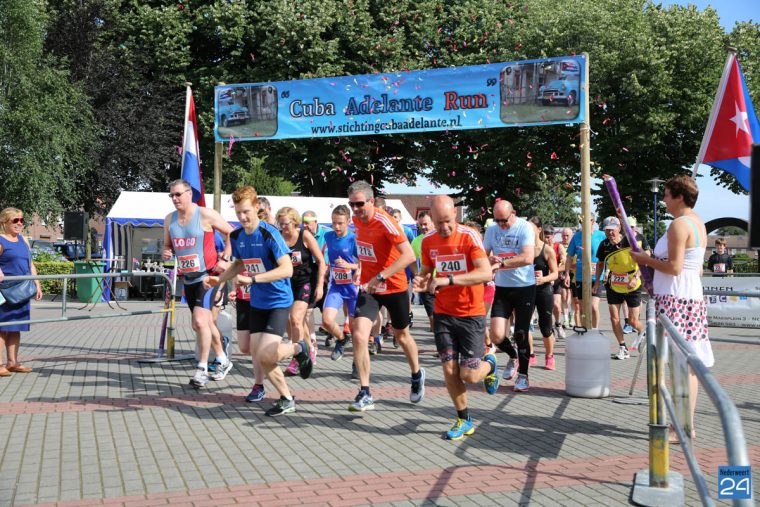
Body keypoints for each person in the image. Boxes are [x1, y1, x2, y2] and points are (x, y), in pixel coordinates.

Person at [208, 186, 313, 416]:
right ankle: (286, 398)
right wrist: (219, 280)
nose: (242, 217)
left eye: (246, 211)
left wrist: (253, 279)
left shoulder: (269, 234)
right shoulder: (237, 236)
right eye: (238, 213)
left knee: (266, 354)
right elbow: (239, 264)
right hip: (257, 303)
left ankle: (299, 347)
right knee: (257, 354)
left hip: (278, 301)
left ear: (257, 207)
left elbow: (287, 269)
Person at [631, 175, 712, 442]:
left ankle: (683, 427)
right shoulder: (697, 222)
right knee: (686, 364)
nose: (663, 200)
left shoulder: (680, 224)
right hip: (687, 295)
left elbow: (675, 267)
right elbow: (694, 268)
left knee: (681, 365)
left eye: (666, 195)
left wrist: (645, 260)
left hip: (677, 297)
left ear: (679, 197)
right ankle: (684, 425)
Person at [413, 196, 499, 440]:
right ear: (431, 218)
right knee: (449, 370)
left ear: (455, 215)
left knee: (469, 375)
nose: (444, 227)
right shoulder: (428, 240)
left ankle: (490, 364)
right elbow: (427, 270)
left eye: (448, 221)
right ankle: (464, 419)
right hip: (443, 313)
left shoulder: (469, 236)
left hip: (471, 313)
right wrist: (421, 279)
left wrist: (449, 280)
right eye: (439, 222)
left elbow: (485, 273)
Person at [346, 180, 423, 412]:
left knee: (402, 336)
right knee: (359, 335)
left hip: (394, 286)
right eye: (351, 204)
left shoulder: (385, 221)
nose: (355, 209)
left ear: (371, 201)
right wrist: (361, 271)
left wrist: (380, 276)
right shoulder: (356, 221)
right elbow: (367, 251)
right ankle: (365, 392)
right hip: (370, 288)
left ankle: (416, 374)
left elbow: (409, 256)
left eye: (360, 204)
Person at [162, 179, 233, 388]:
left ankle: (201, 369)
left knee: (201, 321)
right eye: (171, 195)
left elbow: (232, 233)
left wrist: (225, 258)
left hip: (208, 277)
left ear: (189, 193)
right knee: (201, 323)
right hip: (189, 279)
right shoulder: (169, 219)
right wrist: (166, 251)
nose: (174, 199)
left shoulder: (205, 214)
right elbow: (167, 245)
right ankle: (222, 358)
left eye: (178, 194)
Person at [484, 200, 535, 392]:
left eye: (504, 221)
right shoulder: (492, 230)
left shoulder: (524, 227)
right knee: (496, 336)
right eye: (497, 220)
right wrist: (488, 259)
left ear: (513, 213)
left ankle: (523, 374)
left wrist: (502, 263)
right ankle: (513, 357)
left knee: (521, 333)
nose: (501, 225)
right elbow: (482, 255)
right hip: (502, 287)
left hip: (524, 287)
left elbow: (528, 257)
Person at [276, 207, 325, 376]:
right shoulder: (278, 237)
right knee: (295, 322)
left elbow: (321, 261)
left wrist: (320, 286)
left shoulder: (305, 236)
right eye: (280, 224)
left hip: (305, 281)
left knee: (295, 318)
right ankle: (309, 348)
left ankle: (298, 358)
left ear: (295, 222)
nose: (284, 227)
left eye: (286, 224)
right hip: (286, 283)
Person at [594, 217, 650, 360]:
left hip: (632, 283)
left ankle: (643, 332)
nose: (610, 233)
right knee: (614, 317)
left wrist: (636, 277)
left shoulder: (631, 241)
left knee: (632, 321)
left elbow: (645, 260)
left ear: (619, 228)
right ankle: (622, 347)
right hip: (613, 284)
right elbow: (600, 264)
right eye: (607, 230)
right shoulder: (604, 244)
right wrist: (597, 282)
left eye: (612, 230)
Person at [0, 208, 42, 377]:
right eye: (15, 220)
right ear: (4, 222)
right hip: (4, 292)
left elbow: (30, 264)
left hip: (22, 291)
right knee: (1, 328)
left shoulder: (23, 240)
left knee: (15, 328)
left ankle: (12, 362)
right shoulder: (1, 240)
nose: (19, 223)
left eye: (21, 220)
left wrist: (37, 284)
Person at [322, 205, 360, 361]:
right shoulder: (328, 236)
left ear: (349, 221)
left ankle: (356, 364)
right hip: (336, 286)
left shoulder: (354, 239)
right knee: (326, 321)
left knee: (356, 330)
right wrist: (325, 270)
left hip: (353, 288)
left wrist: (350, 266)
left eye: (340, 223)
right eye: (334, 223)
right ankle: (342, 339)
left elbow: (365, 263)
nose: (336, 227)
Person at [528, 217, 559, 370]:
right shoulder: (523, 248)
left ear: (539, 229)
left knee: (545, 327)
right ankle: (530, 354)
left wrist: (543, 279)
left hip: (543, 291)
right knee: (524, 325)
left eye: (531, 228)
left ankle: (549, 356)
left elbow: (555, 273)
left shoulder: (547, 250)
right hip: (526, 291)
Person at [564, 216, 606, 328]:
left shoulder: (601, 235)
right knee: (582, 307)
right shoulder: (577, 236)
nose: (583, 223)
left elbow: (608, 254)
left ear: (593, 221)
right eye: (581, 221)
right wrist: (567, 274)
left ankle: (595, 330)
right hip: (580, 276)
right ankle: (584, 330)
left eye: (587, 220)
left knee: (593, 306)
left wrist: (608, 270)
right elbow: (569, 256)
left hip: (596, 276)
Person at [411, 212, 435, 332]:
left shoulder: (441, 237)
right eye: (420, 225)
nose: (423, 227)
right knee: (432, 317)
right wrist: (416, 273)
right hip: (427, 283)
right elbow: (411, 259)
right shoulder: (416, 241)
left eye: (425, 224)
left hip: (443, 282)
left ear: (433, 222)